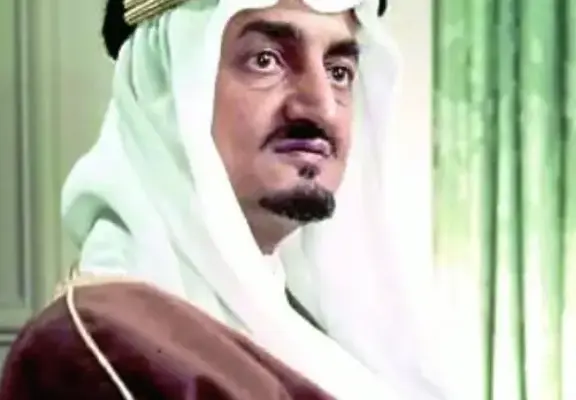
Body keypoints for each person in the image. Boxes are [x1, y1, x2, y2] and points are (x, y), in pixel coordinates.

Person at [0, 0, 452, 398]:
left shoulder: (318, 333)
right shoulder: (94, 353)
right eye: (265, 60)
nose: (322, 106)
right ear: (165, 90)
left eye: (338, 72)